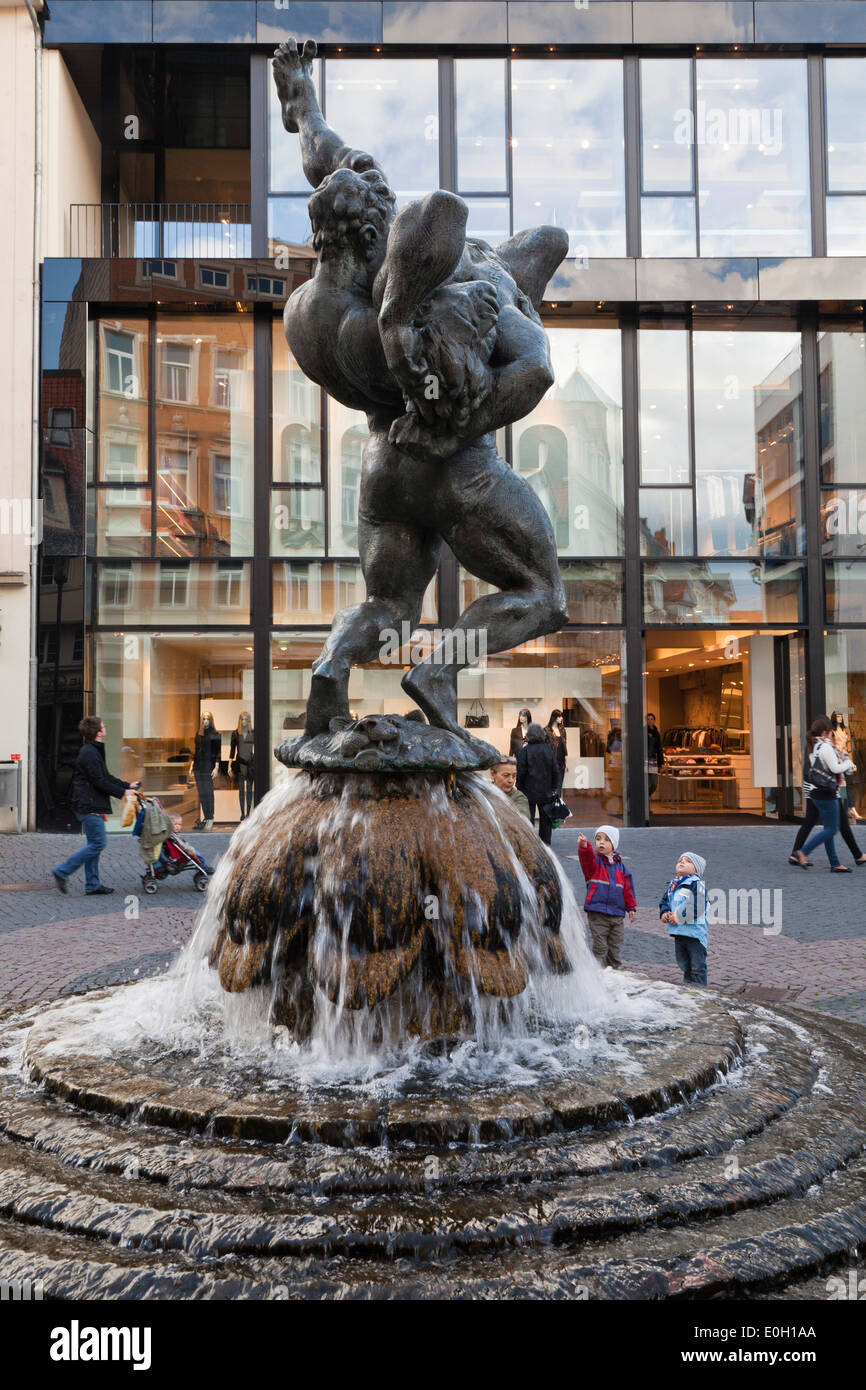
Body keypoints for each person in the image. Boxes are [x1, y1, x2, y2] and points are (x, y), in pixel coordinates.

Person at [271, 38, 570, 741]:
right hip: (456, 470)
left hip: (383, 470)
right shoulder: (473, 275)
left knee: (388, 604)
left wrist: (300, 91)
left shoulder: (313, 310)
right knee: (543, 596)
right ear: (381, 223)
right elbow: (536, 369)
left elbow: (320, 148)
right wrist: (452, 428)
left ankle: (331, 671)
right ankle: (440, 669)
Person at [51, 716, 140, 895]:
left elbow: (104, 776)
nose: (105, 727)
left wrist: (126, 785)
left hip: (90, 803)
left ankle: (92, 884)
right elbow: (99, 781)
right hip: (88, 805)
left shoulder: (93, 750)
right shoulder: (90, 753)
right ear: (99, 732)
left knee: (94, 844)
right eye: (103, 726)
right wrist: (123, 793)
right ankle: (62, 871)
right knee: (98, 843)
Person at [790, 715, 856, 872]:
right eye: (831, 732)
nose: (833, 734)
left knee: (828, 828)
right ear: (826, 732)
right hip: (827, 793)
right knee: (831, 830)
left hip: (818, 792)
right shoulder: (826, 747)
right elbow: (835, 769)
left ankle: (835, 863)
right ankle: (802, 852)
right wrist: (847, 762)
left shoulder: (816, 746)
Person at [576, 824, 636, 970]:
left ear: (614, 844)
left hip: (616, 915)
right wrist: (585, 846)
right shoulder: (594, 863)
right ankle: (598, 975)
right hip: (597, 913)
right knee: (600, 947)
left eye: (606, 840)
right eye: (598, 839)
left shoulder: (621, 867)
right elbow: (586, 858)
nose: (601, 842)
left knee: (614, 949)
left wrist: (631, 907)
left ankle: (615, 975)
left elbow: (627, 889)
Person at [659, 851, 708, 987]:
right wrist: (664, 913)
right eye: (680, 860)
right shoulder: (673, 885)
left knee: (697, 966)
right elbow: (665, 901)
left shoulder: (696, 884)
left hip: (694, 935)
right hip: (679, 933)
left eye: (687, 861)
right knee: (684, 963)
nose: (682, 862)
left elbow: (698, 906)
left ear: (697, 871)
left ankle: (700, 990)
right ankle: (688, 987)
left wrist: (679, 916)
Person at [516, 723, 560, 845]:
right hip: (546, 790)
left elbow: (521, 771)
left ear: (528, 735)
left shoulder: (524, 751)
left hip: (528, 790)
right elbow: (555, 770)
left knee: (528, 817)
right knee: (546, 820)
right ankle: (545, 843)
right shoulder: (548, 750)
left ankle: (529, 843)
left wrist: (519, 786)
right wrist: (554, 787)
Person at [192, 713, 221, 831]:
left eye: (207, 719)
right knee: (202, 794)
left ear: (211, 720)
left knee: (209, 793)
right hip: (198, 767)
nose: (205, 721)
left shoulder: (215, 734)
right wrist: (191, 765)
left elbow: (218, 752)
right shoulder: (198, 734)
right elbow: (196, 751)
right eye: (203, 719)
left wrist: (216, 767)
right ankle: (206, 817)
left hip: (208, 766)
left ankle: (210, 817)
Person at [230, 712, 255, 821]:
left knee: (249, 789)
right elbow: (232, 751)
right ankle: (242, 813)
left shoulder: (253, 732)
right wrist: (229, 766)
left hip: (250, 763)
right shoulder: (235, 733)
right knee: (241, 790)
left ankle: (248, 813)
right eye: (242, 719)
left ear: (248, 720)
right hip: (240, 763)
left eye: (245, 719)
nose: (243, 721)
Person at [488, 755, 531, 820]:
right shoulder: (481, 794)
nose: (511, 780)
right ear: (492, 774)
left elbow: (521, 820)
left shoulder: (519, 797)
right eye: (506, 775)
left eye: (514, 776)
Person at [543, 709, 567, 791]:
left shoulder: (562, 730)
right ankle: (551, 802)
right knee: (550, 784)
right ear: (555, 717)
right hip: (550, 761)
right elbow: (544, 747)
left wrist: (566, 760)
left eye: (561, 717)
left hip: (561, 761)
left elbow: (564, 745)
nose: (561, 718)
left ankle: (557, 802)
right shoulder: (546, 730)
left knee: (559, 785)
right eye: (560, 717)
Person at [646, 713, 664, 799]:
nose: (650, 721)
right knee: (645, 783)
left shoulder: (656, 733)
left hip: (653, 761)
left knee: (654, 784)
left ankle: (646, 796)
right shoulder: (643, 732)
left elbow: (659, 749)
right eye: (648, 719)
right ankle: (645, 805)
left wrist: (661, 763)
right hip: (644, 760)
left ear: (654, 721)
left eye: (651, 719)